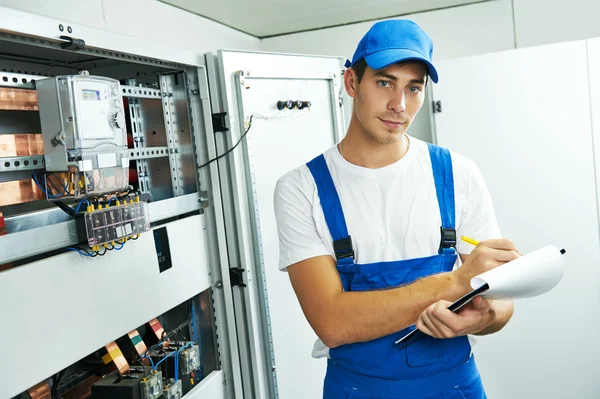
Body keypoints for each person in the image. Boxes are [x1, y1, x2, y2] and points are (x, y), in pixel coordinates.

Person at [273, 19, 520, 399]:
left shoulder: (458, 173)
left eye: (414, 88)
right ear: (352, 83)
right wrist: (455, 282)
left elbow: (501, 305)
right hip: (357, 389)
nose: (399, 105)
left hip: (453, 385)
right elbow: (332, 322)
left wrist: (482, 317)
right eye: (385, 82)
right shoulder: (301, 188)